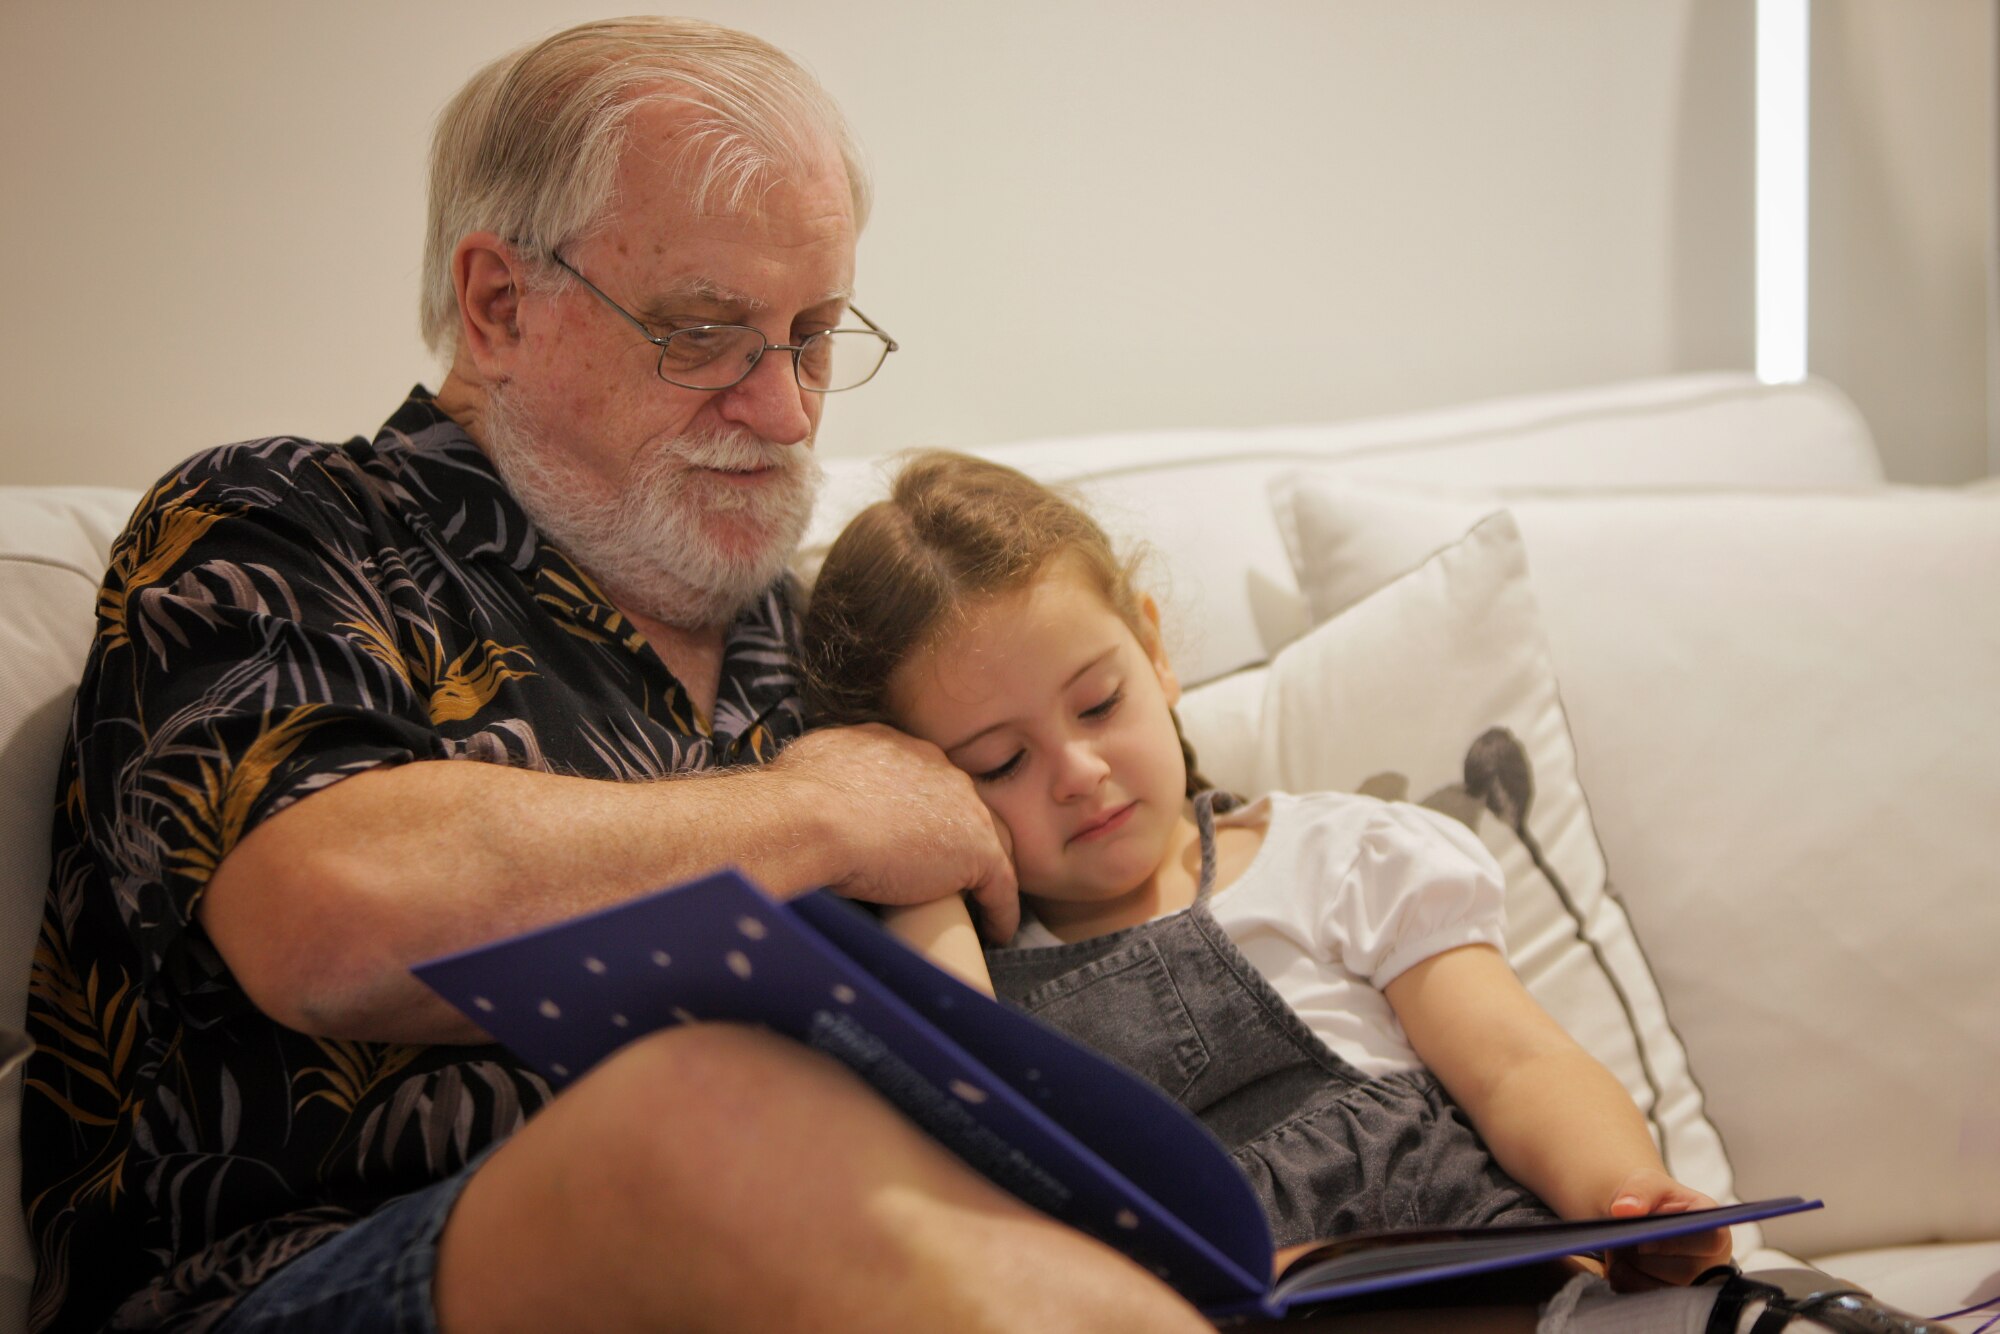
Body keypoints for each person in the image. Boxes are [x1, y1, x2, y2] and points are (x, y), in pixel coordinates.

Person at [19, 19, 1222, 1334]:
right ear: (499, 303)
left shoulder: (808, 637)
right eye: (706, 334)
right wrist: (819, 814)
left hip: (824, 1273)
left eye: (814, 333)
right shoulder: (274, 526)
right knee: (690, 1113)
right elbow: (329, 912)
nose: (790, 411)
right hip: (307, 1283)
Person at [797, 451, 1867, 1333]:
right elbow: (978, 1152)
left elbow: (1515, 1060)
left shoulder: (1336, 856)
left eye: (1097, 700)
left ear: (1157, 652)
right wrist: (922, 867)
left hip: (1491, 1288)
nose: (1076, 771)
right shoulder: (968, 972)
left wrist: (1624, 1196)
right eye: (994, 763)